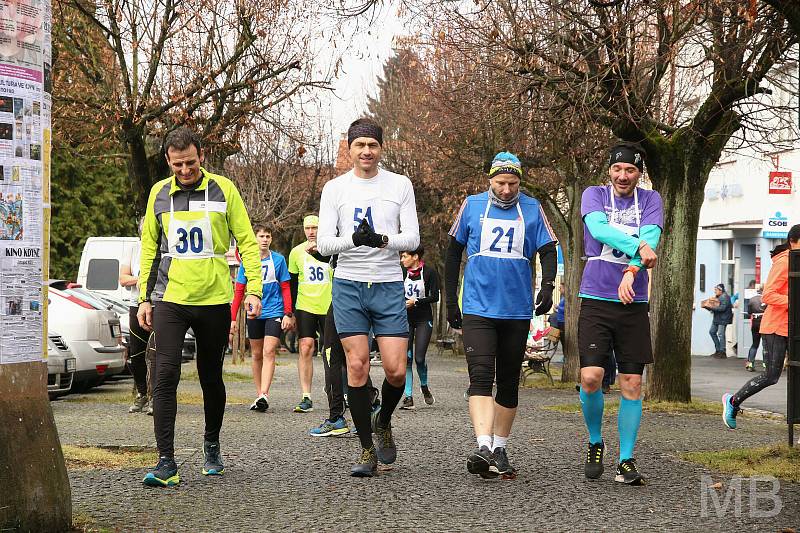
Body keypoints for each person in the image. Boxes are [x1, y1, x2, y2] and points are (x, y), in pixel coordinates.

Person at [137, 127, 263, 487]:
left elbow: (247, 243)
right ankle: (166, 462)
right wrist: (144, 298)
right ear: (168, 162)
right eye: (177, 164)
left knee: (210, 377)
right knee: (164, 374)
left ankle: (211, 443)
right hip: (170, 298)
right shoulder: (158, 194)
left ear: (201, 156)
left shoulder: (224, 189)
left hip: (213, 299)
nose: (185, 170)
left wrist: (253, 289)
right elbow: (149, 247)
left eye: (190, 162)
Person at [317, 117, 420, 477]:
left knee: (396, 370)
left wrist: (382, 241)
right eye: (359, 145)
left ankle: (383, 419)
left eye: (372, 145)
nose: (366, 151)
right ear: (349, 148)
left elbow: (413, 238)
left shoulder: (399, 185)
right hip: (349, 284)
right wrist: (355, 241)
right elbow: (324, 243)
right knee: (357, 365)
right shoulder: (335, 188)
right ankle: (365, 450)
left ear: (380, 148)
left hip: (389, 283)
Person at [445, 151, 557, 479]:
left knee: (508, 381)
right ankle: (483, 445)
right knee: (480, 377)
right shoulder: (473, 205)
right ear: (489, 180)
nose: (506, 190)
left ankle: (499, 447)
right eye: (500, 183)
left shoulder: (533, 208)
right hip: (479, 306)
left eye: (512, 183)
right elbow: (453, 255)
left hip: (516, 309)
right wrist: (452, 302)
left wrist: (548, 286)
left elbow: (549, 250)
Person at [577, 142, 663, 486]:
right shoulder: (593, 194)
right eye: (617, 169)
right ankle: (595, 440)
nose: (623, 176)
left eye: (630, 170)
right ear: (609, 171)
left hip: (633, 303)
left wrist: (631, 270)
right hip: (596, 296)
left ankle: (625, 459)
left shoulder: (651, 201)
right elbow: (600, 230)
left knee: (632, 382)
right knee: (591, 377)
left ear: (639, 174)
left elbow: (651, 237)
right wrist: (639, 247)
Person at [723, 225, 800, 429]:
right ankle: (733, 402)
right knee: (771, 376)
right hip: (776, 327)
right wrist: (794, 301)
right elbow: (768, 295)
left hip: (793, 328)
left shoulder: (796, 261)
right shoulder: (784, 262)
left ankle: (795, 421)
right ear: (794, 241)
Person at [231, 224, 295, 412]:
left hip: (274, 311)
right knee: (257, 354)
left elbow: (285, 287)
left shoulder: (279, 260)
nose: (265, 239)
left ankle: (265, 393)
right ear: (255, 239)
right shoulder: (248, 262)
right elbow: (239, 292)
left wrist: (288, 312)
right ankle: (259, 394)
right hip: (254, 313)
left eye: (268, 236)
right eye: (261, 236)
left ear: (271, 239)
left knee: (269, 351)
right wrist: (233, 319)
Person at [288, 214, 332, 413]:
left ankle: (336, 390)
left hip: (329, 304)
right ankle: (306, 396)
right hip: (305, 305)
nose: (311, 231)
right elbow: (293, 284)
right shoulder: (296, 252)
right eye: (308, 228)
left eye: (315, 227)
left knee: (331, 351)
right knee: (306, 347)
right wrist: (290, 312)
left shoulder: (330, 250)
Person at [399, 245, 440, 410]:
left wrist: (415, 301)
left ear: (415, 257)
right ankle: (408, 397)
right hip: (405, 320)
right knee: (406, 359)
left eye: (404, 256)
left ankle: (424, 387)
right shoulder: (401, 273)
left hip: (424, 319)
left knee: (419, 358)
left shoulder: (430, 273)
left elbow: (434, 296)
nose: (402, 260)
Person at [119, 229, 151, 415]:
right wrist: (141, 280)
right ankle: (142, 393)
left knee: (156, 355)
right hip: (135, 304)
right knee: (137, 353)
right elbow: (123, 278)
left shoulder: (163, 248)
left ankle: (156, 396)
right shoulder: (134, 249)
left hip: (158, 305)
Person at [707, 284, 733, 358]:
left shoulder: (725, 297)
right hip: (717, 318)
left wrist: (711, 307)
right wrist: (709, 307)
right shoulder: (718, 297)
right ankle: (718, 350)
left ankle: (722, 352)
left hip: (723, 319)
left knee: (721, 334)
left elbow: (722, 308)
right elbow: (716, 306)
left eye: (716, 290)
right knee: (712, 332)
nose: (715, 291)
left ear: (720, 290)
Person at [745, 283, 766, 372]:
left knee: (754, 344)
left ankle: (750, 364)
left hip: (755, 323)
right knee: (766, 345)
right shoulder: (766, 299)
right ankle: (766, 365)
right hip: (765, 322)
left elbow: (749, 312)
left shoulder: (752, 299)